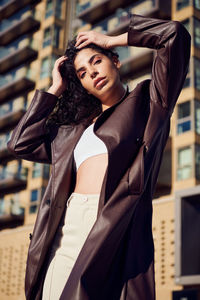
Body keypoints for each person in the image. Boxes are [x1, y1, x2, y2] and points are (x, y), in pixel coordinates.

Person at [7, 14, 191, 300]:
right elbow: (20, 143)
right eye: (81, 73)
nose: (92, 72)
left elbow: (174, 34)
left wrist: (110, 38)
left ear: (114, 61)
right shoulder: (75, 132)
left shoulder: (149, 102)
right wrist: (55, 89)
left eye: (97, 61)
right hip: (63, 230)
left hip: (108, 226)